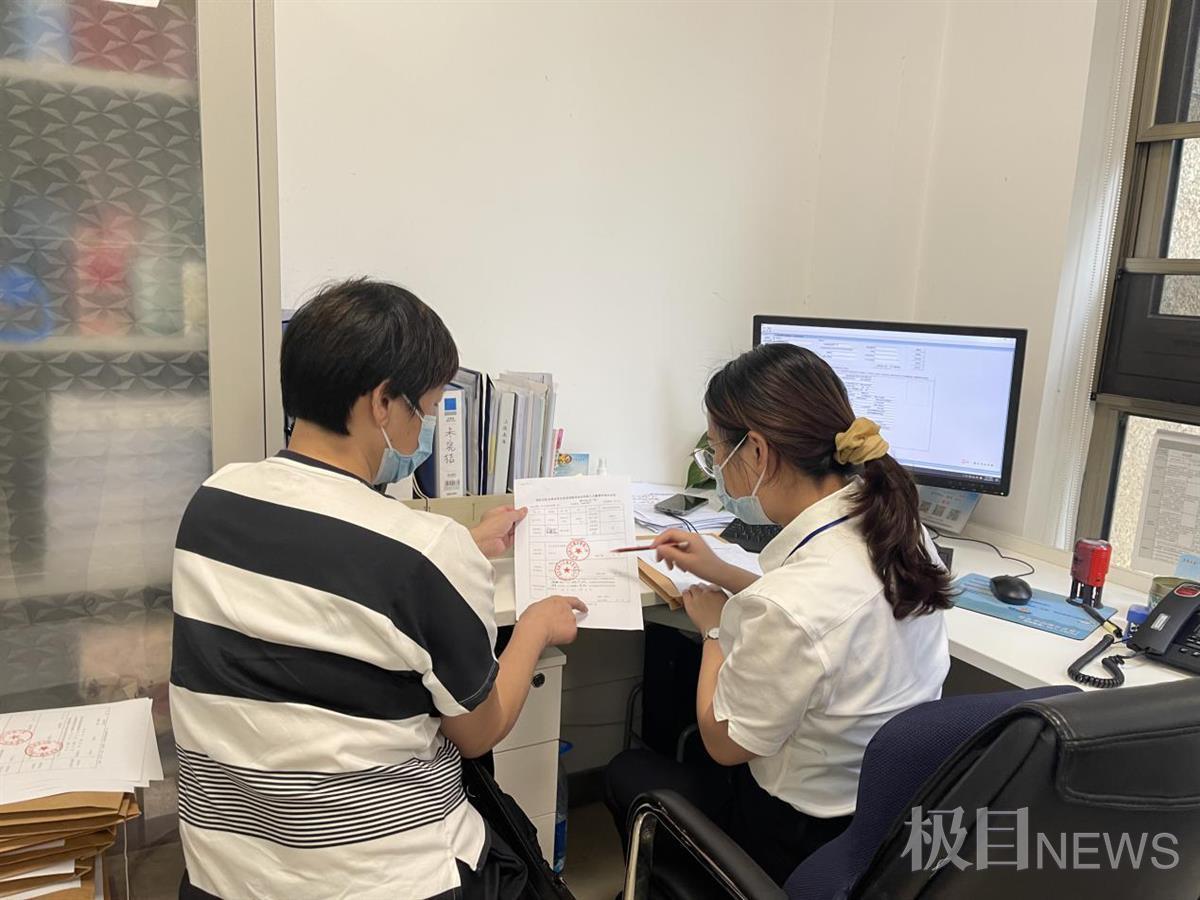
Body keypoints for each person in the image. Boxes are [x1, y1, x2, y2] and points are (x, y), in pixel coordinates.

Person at [170, 278, 586, 900]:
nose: (425, 432)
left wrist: (461, 548)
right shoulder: (425, 553)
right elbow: (480, 730)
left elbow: (320, 573)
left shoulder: (213, 502)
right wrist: (534, 626)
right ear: (383, 403)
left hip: (229, 873)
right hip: (386, 880)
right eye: (428, 409)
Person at [605, 342, 952, 884]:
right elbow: (820, 620)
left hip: (793, 837)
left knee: (628, 771)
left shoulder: (791, 604)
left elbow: (722, 744)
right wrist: (720, 571)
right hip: (881, 814)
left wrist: (715, 631)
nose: (717, 469)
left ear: (758, 452)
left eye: (716, 453)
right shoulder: (901, 531)